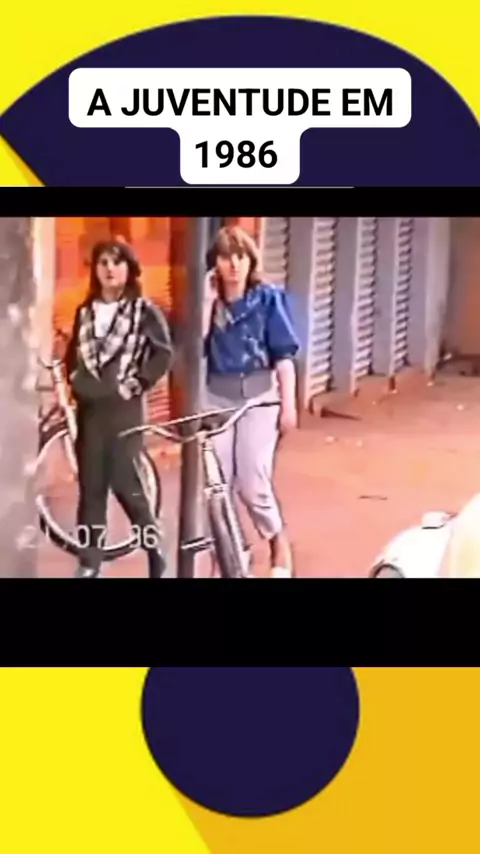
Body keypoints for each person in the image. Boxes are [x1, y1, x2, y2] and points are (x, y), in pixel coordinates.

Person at [64, 239, 174, 578]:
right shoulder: (85, 311)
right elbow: (72, 354)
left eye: (117, 262)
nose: (110, 269)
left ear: (129, 268)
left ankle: (154, 548)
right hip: (90, 411)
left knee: (127, 485)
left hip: (124, 409)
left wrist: (136, 384)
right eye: (103, 263)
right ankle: (89, 562)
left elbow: (163, 354)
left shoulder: (143, 311)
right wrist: (74, 378)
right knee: (91, 489)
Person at [203, 225, 300, 578]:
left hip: (259, 398)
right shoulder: (210, 302)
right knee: (217, 484)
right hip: (216, 397)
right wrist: (206, 302)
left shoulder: (268, 299)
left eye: (241, 256)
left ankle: (277, 541)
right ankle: (230, 554)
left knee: (253, 480)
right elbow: (195, 348)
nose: (234, 264)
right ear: (215, 263)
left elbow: (284, 356)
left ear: (251, 260)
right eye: (226, 257)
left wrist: (288, 404)